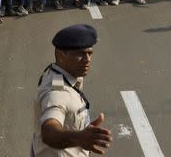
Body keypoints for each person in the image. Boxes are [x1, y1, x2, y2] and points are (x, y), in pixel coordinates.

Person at [31, 24, 112, 156]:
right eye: (80, 54)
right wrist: (79, 138)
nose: (87, 60)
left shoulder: (60, 75)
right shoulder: (57, 93)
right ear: (60, 54)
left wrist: (81, 131)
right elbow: (49, 132)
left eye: (90, 53)